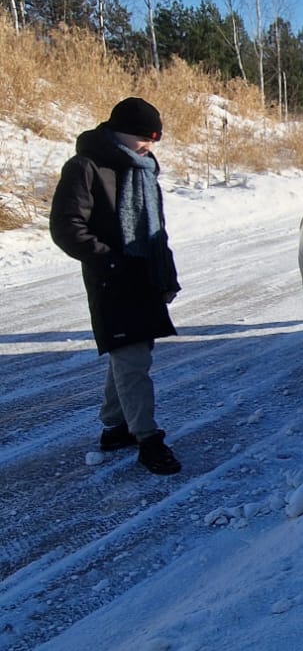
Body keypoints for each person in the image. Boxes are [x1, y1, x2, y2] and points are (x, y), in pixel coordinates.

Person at [49, 96, 183, 475]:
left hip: (145, 277)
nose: (150, 147)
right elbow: (66, 226)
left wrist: (166, 276)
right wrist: (109, 261)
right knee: (131, 357)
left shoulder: (144, 169)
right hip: (112, 280)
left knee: (130, 351)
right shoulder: (85, 167)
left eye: (154, 141)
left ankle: (115, 426)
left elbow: (157, 232)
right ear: (120, 132)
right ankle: (148, 439)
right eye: (145, 139)